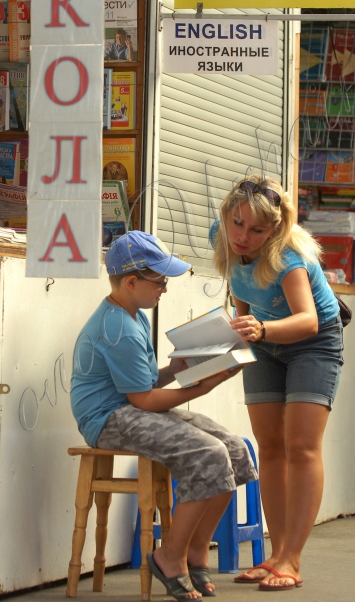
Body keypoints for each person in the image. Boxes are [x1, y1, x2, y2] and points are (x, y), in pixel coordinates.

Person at [71, 231, 258, 601]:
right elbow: (142, 400)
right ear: (131, 281)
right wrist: (202, 386)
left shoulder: (132, 315)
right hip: (107, 420)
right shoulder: (118, 327)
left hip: (128, 408)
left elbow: (141, 385)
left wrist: (175, 369)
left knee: (234, 450)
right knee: (208, 453)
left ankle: (195, 550)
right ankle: (169, 556)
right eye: (160, 282)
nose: (165, 290)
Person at [209, 175, 345, 592]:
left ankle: (293, 559)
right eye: (237, 224)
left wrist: (261, 331)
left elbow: (309, 319)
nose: (242, 236)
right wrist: (239, 332)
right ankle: (276, 553)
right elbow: (242, 293)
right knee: (269, 446)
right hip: (264, 339)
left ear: (275, 230)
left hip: (313, 343)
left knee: (301, 446)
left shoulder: (287, 257)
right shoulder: (224, 238)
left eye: (255, 230)